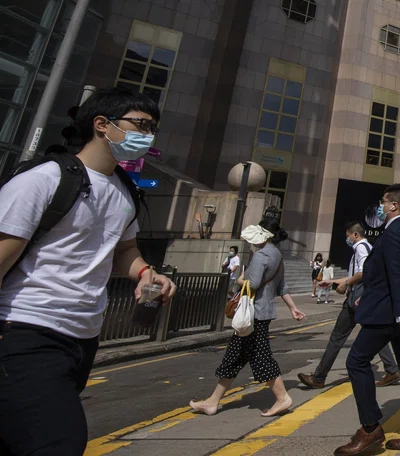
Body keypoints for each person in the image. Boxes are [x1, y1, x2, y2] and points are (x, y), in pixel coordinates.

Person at [0, 88, 177, 456]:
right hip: (26, 330)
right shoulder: (45, 180)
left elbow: (123, 249)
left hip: (83, 338)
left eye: (153, 128)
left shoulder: (125, 192)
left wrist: (145, 272)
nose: (147, 135)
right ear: (102, 125)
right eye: (141, 124)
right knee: (59, 442)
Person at [335, 185, 400, 455]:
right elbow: (386, 274)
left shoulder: (393, 233)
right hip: (395, 309)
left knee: (356, 361)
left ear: (393, 207)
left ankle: (369, 428)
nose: (380, 206)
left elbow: (398, 276)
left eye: (383, 202)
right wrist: (367, 298)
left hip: (389, 314)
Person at [190, 214, 305, 417]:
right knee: (234, 356)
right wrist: (293, 308)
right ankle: (212, 401)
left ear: (263, 235)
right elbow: (282, 286)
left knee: (260, 357)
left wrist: (241, 280)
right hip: (262, 312)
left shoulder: (261, 256)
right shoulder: (277, 255)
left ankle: (282, 398)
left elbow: (252, 284)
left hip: (253, 314)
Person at [298, 222, 400, 390]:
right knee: (374, 333)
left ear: (355, 235)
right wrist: (332, 282)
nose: (347, 239)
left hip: (356, 299)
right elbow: (356, 275)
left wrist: (346, 283)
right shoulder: (366, 247)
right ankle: (392, 369)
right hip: (359, 298)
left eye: (348, 236)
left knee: (337, 337)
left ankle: (319, 377)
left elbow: (362, 273)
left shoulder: (361, 248)